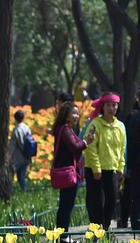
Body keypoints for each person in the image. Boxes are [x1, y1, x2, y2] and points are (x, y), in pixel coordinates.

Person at [84, 92, 126, 230]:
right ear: (103, 107)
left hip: (112, 169)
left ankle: (105, 227)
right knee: (96, 201)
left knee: (112, 201)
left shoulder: (120, 126)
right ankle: (96, 229)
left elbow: (122, 148)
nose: (111, 108)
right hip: (95, 170)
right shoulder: (95, 124)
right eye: (108, 105)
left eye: (114, 105)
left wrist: (120, 168)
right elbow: (90, 148)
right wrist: (96, 169)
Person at [52, 102, 93, 231]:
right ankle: (63, 235)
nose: (76, 116)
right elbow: (75, 148)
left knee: (66, 204)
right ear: (66, 115)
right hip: (68, 172)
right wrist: (87, 142)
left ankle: (62, 233)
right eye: (73, 113)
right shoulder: (65, 130)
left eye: (77, 113)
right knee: (66, 205)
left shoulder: (65, 129)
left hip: (67, 171)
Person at [124, 89, 140, 230]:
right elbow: (130, 144)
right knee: (136, 195)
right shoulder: (134, 118)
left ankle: (136, 223)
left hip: (135, 163)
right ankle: (135, 223)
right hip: (136, 164)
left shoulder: (133, 117)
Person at [9, 110, 33, 191]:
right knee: (22, 177)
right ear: (23, 118)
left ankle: (10, 192)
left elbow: (12, 145)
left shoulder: (16, 130)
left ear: (15, 118)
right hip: (27, 155)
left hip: (17, 157)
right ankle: (25, 192)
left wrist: (8, 156)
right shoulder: (27, 128)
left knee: (11, 176)